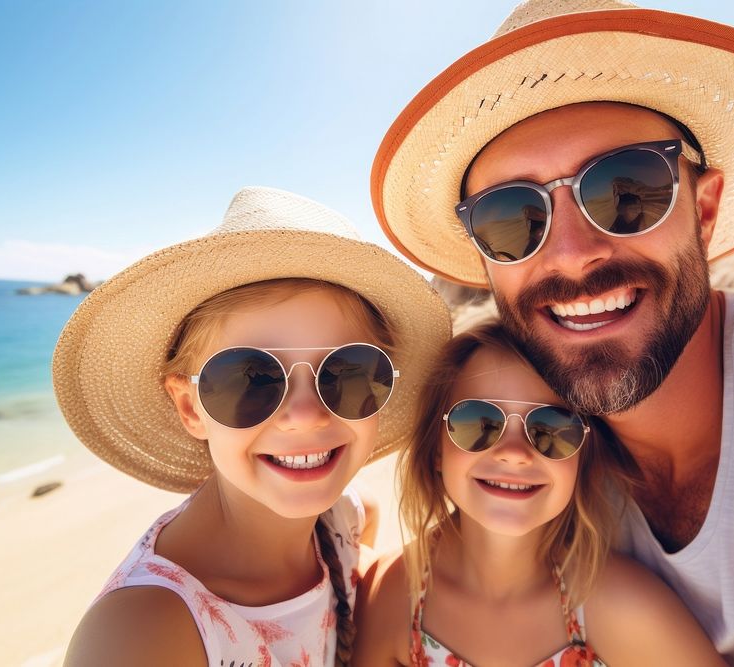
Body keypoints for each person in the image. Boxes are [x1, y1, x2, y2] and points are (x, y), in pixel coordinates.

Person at [370, 1, 734, 665]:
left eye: (626, 189)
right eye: (512, 218)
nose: (571, 254)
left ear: (704, 209)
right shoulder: (553, 475)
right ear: (487, 264)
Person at [55, 187, 451, 666]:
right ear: (190, 408)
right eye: (251, 379)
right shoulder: (141, 634)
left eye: (348, 373)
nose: (305, 415)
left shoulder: (348, 518)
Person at [354, 321, 725, 666]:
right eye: (479, 423)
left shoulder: (623, 607)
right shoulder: (390, 596)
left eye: (552, 428)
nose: (514, 453)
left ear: (582, 453)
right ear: (437, 448)